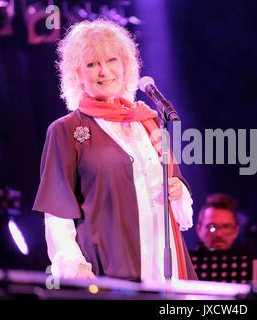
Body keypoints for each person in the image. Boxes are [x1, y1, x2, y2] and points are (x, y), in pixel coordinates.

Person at [32, 19, 197, 282]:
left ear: (126, 65)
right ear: (77, 73)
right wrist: (75, 265)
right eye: (92, 64)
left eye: (111, 60)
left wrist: (178, 190)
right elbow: (57, 210)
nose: (104, 71)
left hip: (165, 260)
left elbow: (176, 184)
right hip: (111, 265)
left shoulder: (149, 120)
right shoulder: (67, 129)